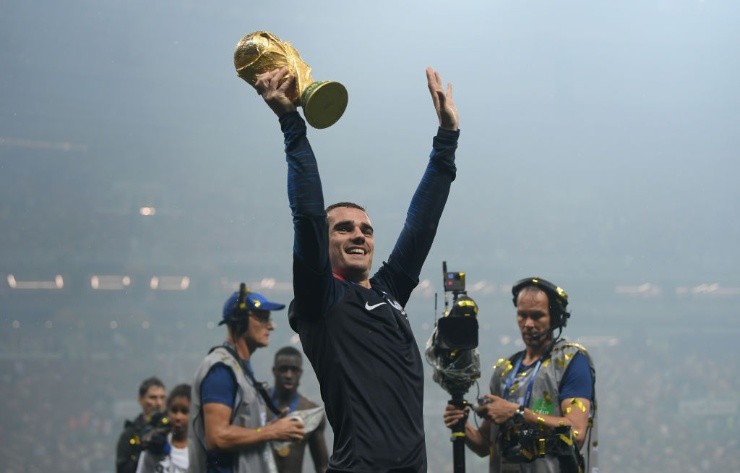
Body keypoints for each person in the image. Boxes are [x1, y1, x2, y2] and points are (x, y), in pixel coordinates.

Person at [255, 66, 460, 472]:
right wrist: (291, 124)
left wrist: (447, 138)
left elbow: (421, 226)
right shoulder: (322, 299)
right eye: (343, 228)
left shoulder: (388, 290)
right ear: (324, 243)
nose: (358, 235)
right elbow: (307, 216)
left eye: (366, 230)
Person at [443, 277, 598, 473]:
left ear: (555, 318)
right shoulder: (504, 371)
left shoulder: (571, 361)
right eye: (522, 315)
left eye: (537, 316)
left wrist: (516, 413)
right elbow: (484, 444)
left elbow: (576, 432)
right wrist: (461, 425)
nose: (528, 324)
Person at [188, 284, 306, 473]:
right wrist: (271, 431)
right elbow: (217, 437)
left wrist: (270, 428)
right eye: (263, 318)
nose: (271, 326)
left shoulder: (238, 369)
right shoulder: (221, 370)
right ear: (240, 321)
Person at [268, 346, 329, 473]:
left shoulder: (312, 412)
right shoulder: (258, 404)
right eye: (283, 369)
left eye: (294, 370)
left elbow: (322, 467)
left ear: (300, 372)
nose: (289, 375)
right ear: (274, 371)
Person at [136, 383, 192, 473]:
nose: (178, 417)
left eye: (184, 411)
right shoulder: (154, 445)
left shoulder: (200, 449)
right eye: (174, 410)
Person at [116, 377, 167, 473]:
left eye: (162, 397)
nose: (158, 403)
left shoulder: (173, 429)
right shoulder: (130, 434)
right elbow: (123, 469)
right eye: (153, 397)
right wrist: (143, 449)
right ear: (141, 399)